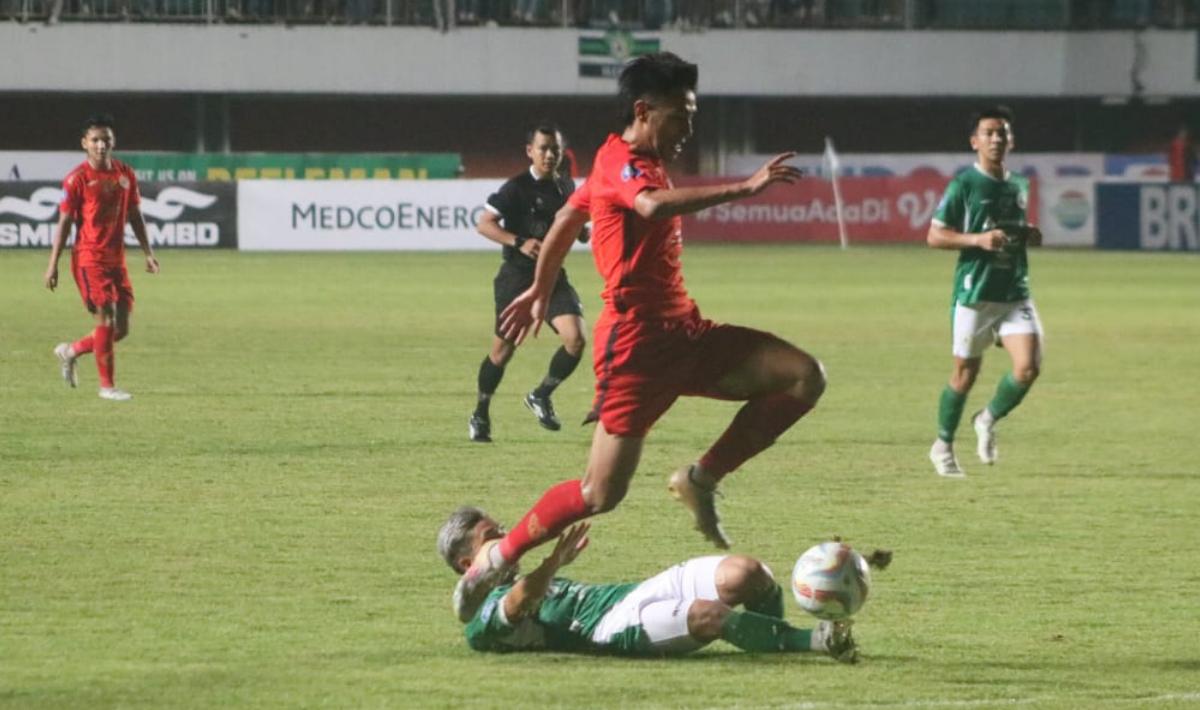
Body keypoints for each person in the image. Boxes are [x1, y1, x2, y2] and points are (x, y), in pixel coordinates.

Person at [453, 52, 818, 621]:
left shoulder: (608, 158)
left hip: (687, 332)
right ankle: (498, 556)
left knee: (804, 377)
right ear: (645, 111)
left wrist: (543, 290)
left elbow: (566, 224)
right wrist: (744, 188)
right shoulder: (624, 163)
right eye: (681, 116)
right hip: (636, 347)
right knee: (600, 495)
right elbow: (646, 204)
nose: (688, 130)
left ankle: (701, 477)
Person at [438, 506, 869, 661]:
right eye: (492, 537)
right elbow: (518, 602)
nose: (506, 540)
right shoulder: (480, 625)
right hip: (608, 630)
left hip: (633, 592)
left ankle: (772, 643)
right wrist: (552, 562)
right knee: (709, 617)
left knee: (749, 573)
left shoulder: (520, 577)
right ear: (465, 563)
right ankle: (814, 640)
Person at [926, 106, 1043, 478]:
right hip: (975, 292)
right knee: (965, 374)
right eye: (989, 133)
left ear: (1011, 140)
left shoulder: (1019, 184)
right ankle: (942, 446)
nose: (996, 139)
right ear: (974, 141)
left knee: (1027, 368)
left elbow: (1011, 228)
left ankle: (986, 419)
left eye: (1002, 133)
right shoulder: (964, 184)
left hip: (1014, 291)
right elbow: (935, 235)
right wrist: (977, 239)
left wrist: (1028, 234)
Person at [469, 123, 588, 443]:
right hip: (517, 279)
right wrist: (518, 240)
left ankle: (541, 395)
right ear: (530, 151)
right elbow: (484, 224)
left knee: (575, 339)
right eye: (544, 149)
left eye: (555, 150)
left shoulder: (566, 186)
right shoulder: (516, 188)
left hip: (552, 277)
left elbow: (574, 225)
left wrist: (582, 230)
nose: (550, 155)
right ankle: (480, 412)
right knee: (502, 352)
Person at [44, 113, 159, 402]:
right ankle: (107, 387)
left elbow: (135, 215)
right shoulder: (77, 179)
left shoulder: (125, 175)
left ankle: (71, 351)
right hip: (88, 259)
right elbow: (65, 222)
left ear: (113, 142)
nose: (100, 145)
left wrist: (148, 253)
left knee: (119, 330)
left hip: (116, 261)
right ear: (84, 143)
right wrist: (53, 264)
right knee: (105, 320)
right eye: (94, 140)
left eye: (105, 139)